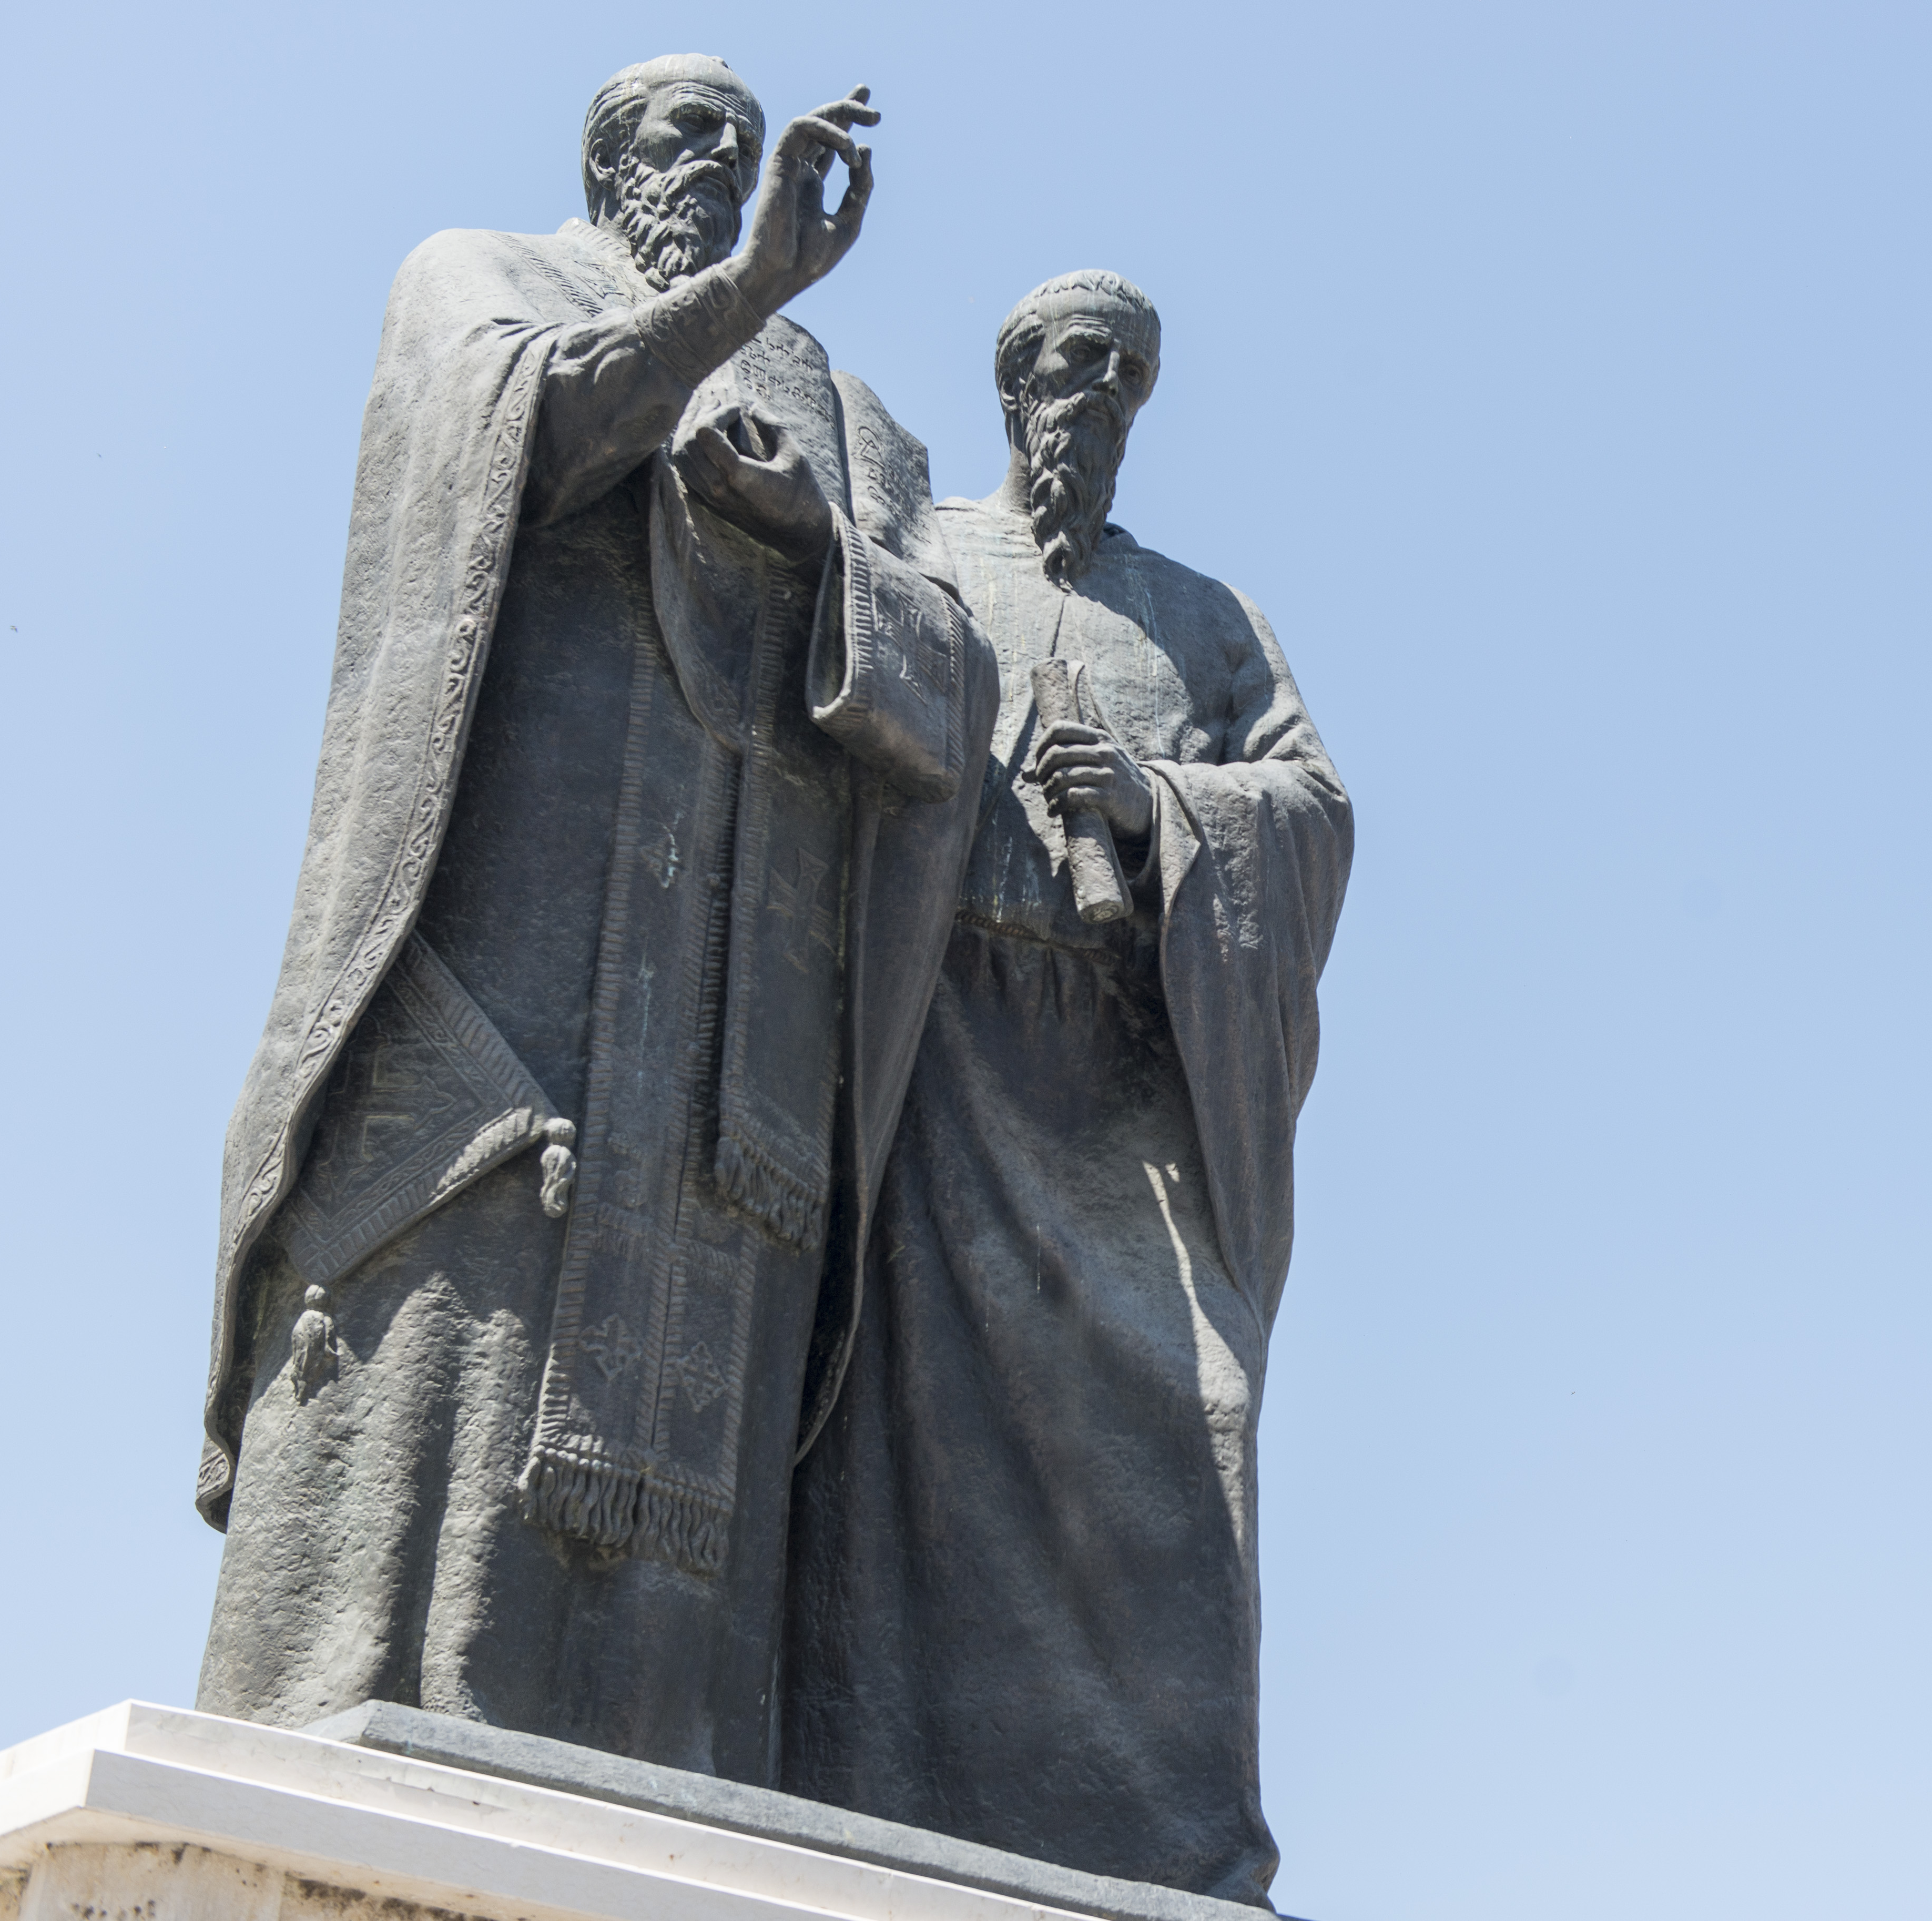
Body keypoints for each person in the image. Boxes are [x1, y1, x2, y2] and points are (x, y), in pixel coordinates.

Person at [192, 54, 997, 1782]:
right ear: (601, 157)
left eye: (731, 132)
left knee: (691, 1577)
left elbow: (949, 676)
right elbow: (531, 431)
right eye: (675, 132)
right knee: (454, 1369)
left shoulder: (854, 425)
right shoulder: (480, 273)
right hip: (518, 962)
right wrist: (746, 292)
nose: (710, 156)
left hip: (741, 1046)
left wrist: (824, 542)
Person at [783, 271, 1350, 1905]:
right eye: (1063, 366)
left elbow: (1312, 805)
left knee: (1198, 1422)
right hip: (943, 1056)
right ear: (1012, 388)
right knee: (909, 1459)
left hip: (1122, 1078)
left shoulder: (1204, 614)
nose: (1090, 392)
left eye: (1122, 374)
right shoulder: (933, 552)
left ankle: (1171, 1857)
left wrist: (1162, 801)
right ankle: (887, 1808)